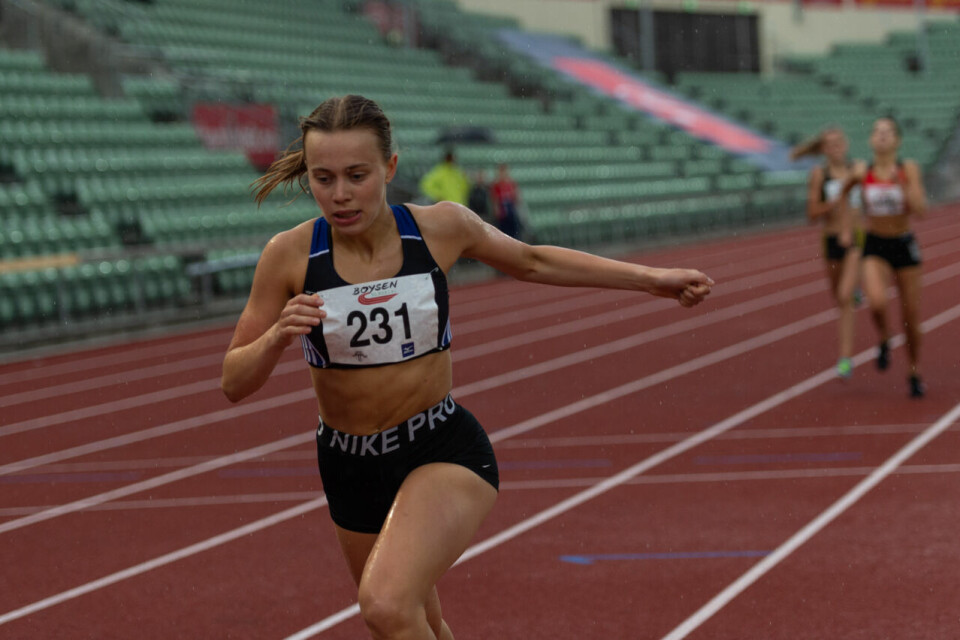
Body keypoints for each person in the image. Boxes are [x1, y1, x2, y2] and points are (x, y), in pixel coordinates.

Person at [222, 94, 713, 640]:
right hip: (348, 463)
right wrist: (276, 336)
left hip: (439, 447)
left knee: (385, 605)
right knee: (418, 620)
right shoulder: (289, 256)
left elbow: (532, 260)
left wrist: (650, 278)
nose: (340, 195)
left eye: (357, 176)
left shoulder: (440, 229)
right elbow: (233, 382)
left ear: (390, 167)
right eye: (323, 178)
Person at [840, 116, 928, 397]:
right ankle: (884, 338)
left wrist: (904, 187)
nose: (882, 136)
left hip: (903, 243)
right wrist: (847, 226)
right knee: (876, 302)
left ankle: (914, 370)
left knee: (911, 317)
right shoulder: (860, 170)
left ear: (897, 140)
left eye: (888, 132)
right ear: (871, 140)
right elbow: (842, 194)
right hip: (875, 244)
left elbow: (921, 210)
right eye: (877, 131)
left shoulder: (908, 168)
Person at [791, 127, 863, 379]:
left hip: (855, 238)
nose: (835, 147)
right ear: (823, 149)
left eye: (839, 142)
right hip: (831, 240)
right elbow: (811, 214)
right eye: (830, 144)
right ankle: (852, 293)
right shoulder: (820, 175)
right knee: (837, 297)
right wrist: (832, 204)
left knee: (844, 298)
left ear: (845, 144)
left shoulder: (858, 169)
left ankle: (845, 358)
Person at [490, 163, 522, 239]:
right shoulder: (496, 185)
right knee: (504, 233)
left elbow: (517, 197)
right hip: (503, 213)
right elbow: (495, 200)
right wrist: (497, 209)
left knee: (514, 233)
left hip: (511, 212)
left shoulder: (511, 184)